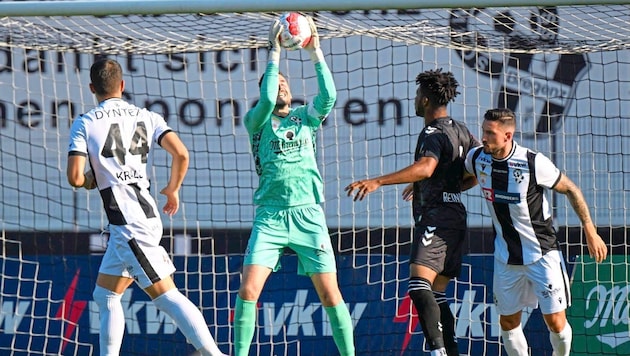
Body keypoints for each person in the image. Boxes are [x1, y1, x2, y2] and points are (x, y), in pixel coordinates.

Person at [66, 58, 226, 356]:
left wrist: (93, 178)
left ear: (92, 88)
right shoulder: (145, 116)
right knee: (106, 295)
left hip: (130, 225)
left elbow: (75, 177)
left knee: (165, 295)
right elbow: (181, 154)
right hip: (138, 218)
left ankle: (214, 354)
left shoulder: (86, 122)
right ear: (122, 85)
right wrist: (173, 189)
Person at [233, 16, 355, 356]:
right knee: (248, 291)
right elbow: (268, 98)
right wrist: (274, 53)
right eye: (277, 83)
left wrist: (315, 52)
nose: (282, 86)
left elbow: (329, 96)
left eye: (286, 83)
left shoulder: (304, 117)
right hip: (270, 217)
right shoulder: (256, 121)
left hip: (307, 215)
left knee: (331, 295)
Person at [345, 68, 479, 356]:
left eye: (419, 94)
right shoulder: (462, 130)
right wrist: (438, 185)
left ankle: (437, 352)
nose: (416, 99)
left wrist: (377, 181)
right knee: (437, 292)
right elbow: (478, 171)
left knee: (419, 286)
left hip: (437, 219)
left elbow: (426, 167)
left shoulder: (432, 131)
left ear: (426, 100)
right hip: (455, 217)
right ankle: (450, 350)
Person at [464, 108, 608, 356]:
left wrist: (590, 229)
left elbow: (571, 189)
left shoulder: (533, 162)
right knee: (507, 323)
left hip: (542, 254)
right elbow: (466, 177)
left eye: (490, 133)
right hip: (505, 257)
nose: (484, 137)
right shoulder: (477, 157)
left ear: (508, 135)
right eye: (483, 131)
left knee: (556, 323)